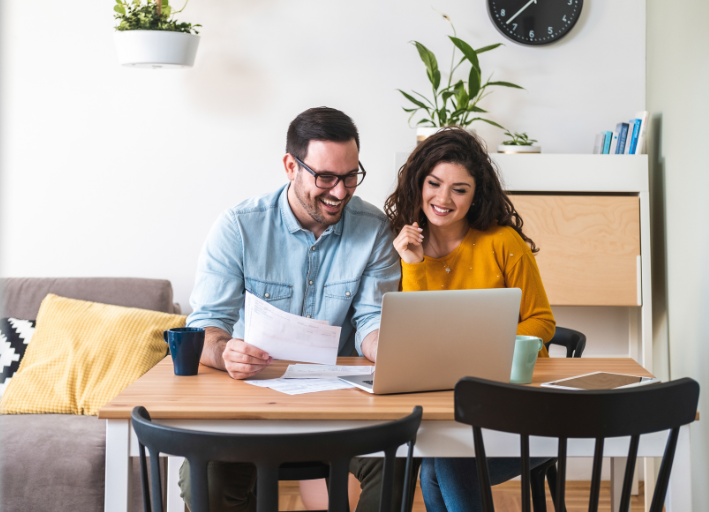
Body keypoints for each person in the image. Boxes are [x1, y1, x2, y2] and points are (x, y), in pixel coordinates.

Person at [182, 107, 415, 512]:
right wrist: (224, 353)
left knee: (397, 462)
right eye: (325, 178)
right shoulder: (238, 227)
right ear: (291, 165)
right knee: (206, 481)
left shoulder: (374, 228)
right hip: (248, 405)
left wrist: (387, 347)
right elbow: (205, 325)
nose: (340, 192)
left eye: (350, 177)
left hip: (340, 407)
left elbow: (371, 320)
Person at [384, 127, 556, 512]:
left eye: (459, 189)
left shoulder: (502, 243)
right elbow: (415, 337)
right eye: (434, 183)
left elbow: (542, 321)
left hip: (515, 409)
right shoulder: (401, 247)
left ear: (476, 194)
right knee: (440, 457)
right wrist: (412, 266)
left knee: (443, 457)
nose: (443, 199)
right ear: (418, 183)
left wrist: (483, 351)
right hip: (447, 405)